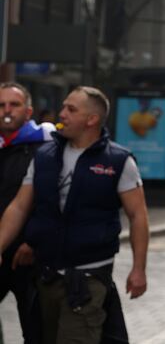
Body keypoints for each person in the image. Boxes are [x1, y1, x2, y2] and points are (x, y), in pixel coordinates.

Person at [0, 86, 149, 344]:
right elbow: (19, 206)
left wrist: (139, 269)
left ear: (91, 119)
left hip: (88, 280)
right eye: (63, 107)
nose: (62, 114)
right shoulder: (45, 156)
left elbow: (138, 216)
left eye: (71, 109)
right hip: (45, 276)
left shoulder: (118, 161)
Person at [0, 82, 55, 343]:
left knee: (36, 332)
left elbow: (53, 201)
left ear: (28, 111)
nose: (6, 110)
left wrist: (33, 241)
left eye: (14, 105)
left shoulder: (46, 147)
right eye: (1, 105)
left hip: (29, 256)